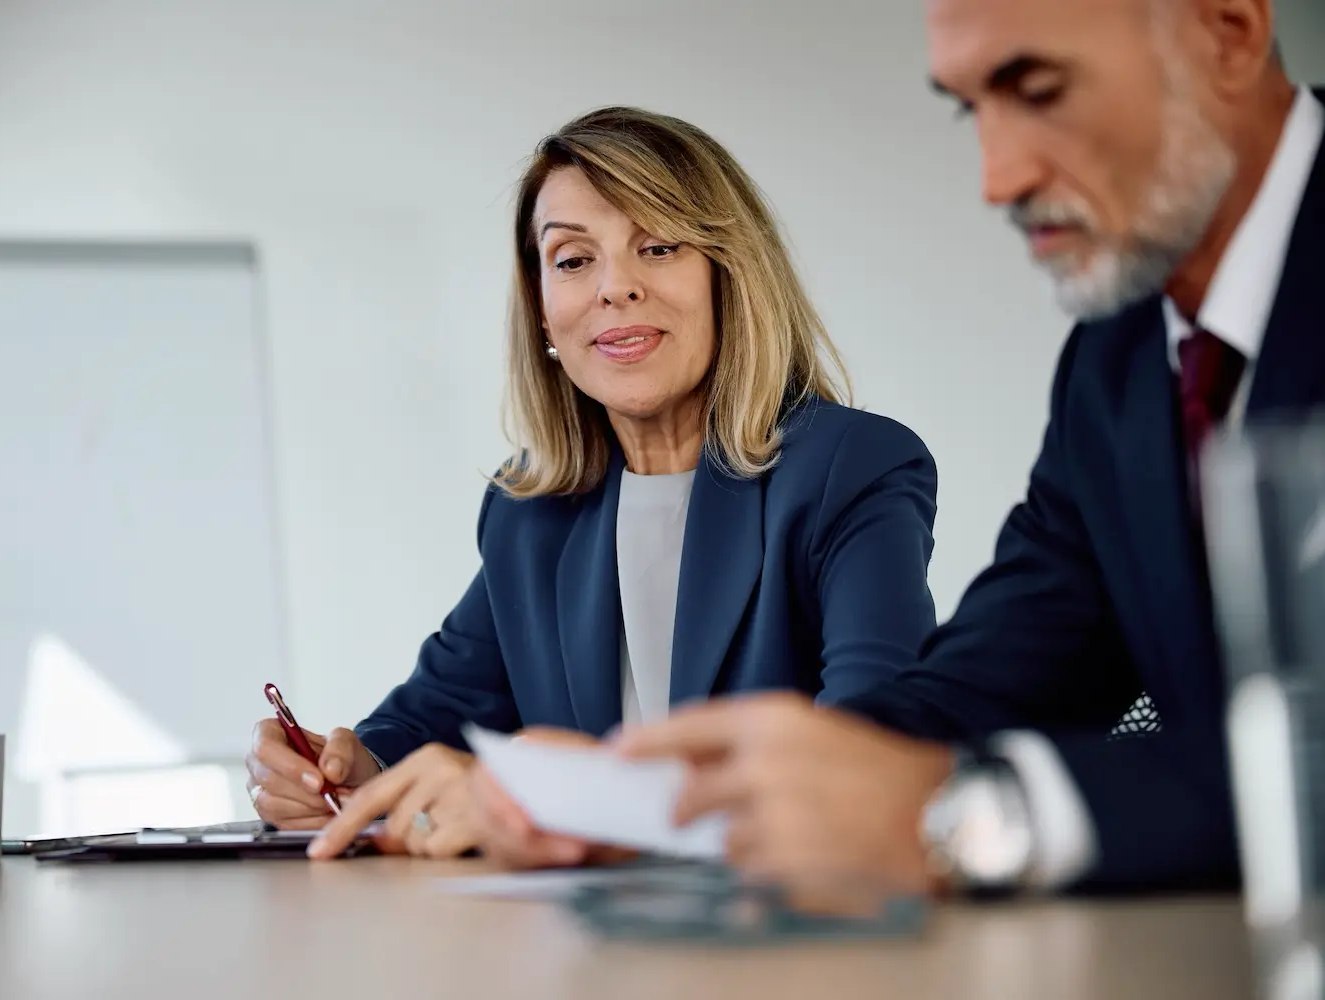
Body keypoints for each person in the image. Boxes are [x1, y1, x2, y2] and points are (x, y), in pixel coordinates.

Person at [495, 0, 1323, 896]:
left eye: (1039, 91)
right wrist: (683, 805)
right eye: (973, 111)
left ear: (1227, 31)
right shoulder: (1118, 358)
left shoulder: (854, 461)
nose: (997, 180)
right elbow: (1007, 668)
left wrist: (990, 815)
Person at [244, 106, 940, 860]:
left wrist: (567, 801)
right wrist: (339, 772)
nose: (616, 288)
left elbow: (870, 748)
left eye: (659, 246)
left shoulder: (850, 468)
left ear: (728, 276)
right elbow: (433, 711)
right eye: (574, 260)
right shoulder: (531, 510)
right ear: (544, 308)